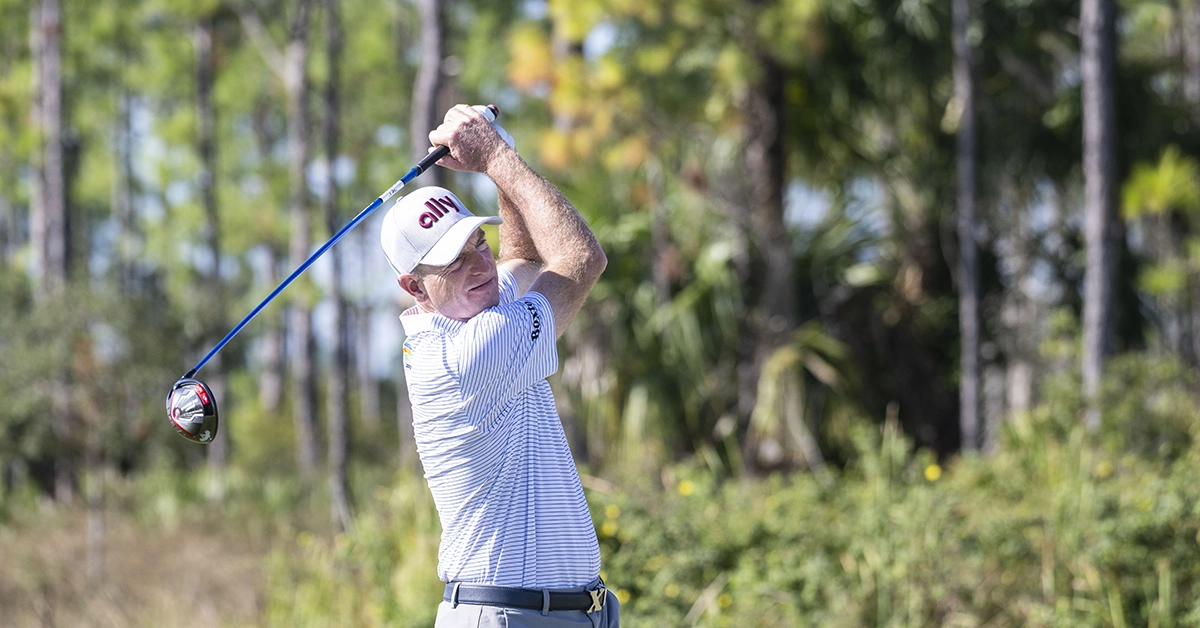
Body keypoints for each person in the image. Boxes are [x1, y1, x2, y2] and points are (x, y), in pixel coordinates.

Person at [379, 104, 617, 628]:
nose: (481, 265)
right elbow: (580, 258)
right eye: (455, 260)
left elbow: (525, 258)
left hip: (558, 614)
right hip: (510, 616)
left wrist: (496, 151)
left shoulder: (472, 310)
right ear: (415, 287)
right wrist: (496, 156)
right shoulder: (467, 356)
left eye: (478, 243)